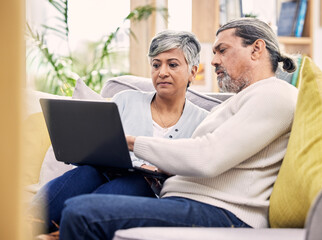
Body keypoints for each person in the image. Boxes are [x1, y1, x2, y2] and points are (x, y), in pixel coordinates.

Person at [58, 17, 299, 240]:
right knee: (82, 190)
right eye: (214, 53)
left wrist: (131, 142)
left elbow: (207, 157)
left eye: (222, 50)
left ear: (257, 49)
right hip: (190, 201)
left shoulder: (275, 94)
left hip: (223, 213)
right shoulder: (239, 102)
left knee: (82, 212)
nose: (213, 61)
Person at [28, 30, 209, 234]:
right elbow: (97, 142)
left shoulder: (204, 120)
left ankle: (66, 231)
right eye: (156, 64)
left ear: (193, 71)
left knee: (133, 182)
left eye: (172, 64)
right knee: (85, 173)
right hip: (103, 172)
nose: (162, 72)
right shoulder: (125, 99)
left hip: (149, 188)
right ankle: (21, 226)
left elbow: (199, 167)